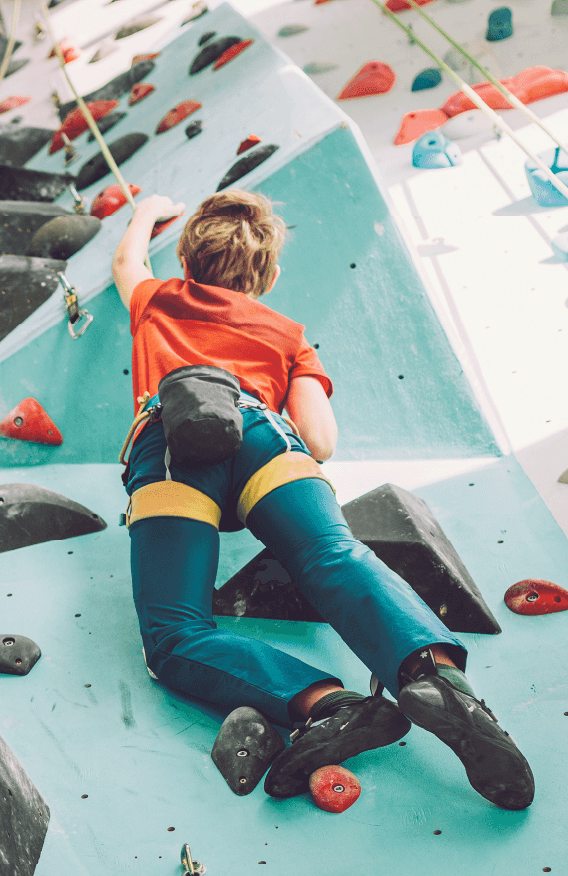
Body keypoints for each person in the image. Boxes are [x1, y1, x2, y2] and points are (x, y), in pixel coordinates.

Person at [109, 189, 533, 810]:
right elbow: (321, 440)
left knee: (175, 634)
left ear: (186, 258)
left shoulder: (159, 299)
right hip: (266, 441)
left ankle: (326, 705)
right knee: (331, 554)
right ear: (269, 275)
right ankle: (434, 673)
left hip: (172, 447)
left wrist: (147, 208)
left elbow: (127, 265)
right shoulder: (289, 336)